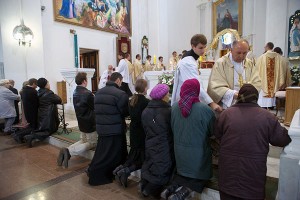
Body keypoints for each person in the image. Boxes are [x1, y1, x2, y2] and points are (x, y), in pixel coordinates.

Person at [215, 84, 291, 200]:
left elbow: (217, 134)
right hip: (252, 181)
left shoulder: (226, 114)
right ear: (256, 98)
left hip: (227, 179)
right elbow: (281, 139)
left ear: (239, 96)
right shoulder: (267, 117)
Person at [162, 79, 215, 199]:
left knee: (183, 174)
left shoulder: (174, 107)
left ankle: (170, 188)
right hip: (199, 154)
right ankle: (183, 193)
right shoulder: (205, 110)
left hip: (179, 153)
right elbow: (213, 132)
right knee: (200, 177)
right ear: (196, 90)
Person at [88, 72, 129, 186]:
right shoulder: (121, 94)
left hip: (102, 128)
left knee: (102, 153)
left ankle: (93, 169)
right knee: (112, 155)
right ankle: (97, 173)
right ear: (118, 81)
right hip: (115, 129)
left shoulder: (98, 92)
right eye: (121, 82)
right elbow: (125, 112)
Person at [171, 34, 222, 112]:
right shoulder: (188, 62)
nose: (203, 50)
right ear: (193, 46)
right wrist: (211, 103)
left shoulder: (191, 58)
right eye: (200, 48)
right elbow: (195, 85)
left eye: (205, 47)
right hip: (185, 102)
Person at [140, 84, 174, 198]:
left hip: (150, 143)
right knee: (163, 168)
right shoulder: (168, 111)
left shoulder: (145, 111)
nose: (169, 96)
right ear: (163, 97)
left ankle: (144, 185)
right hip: (164, 144)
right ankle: (149, 189)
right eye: (168, 94)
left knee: (151, 164)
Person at [113, 79, 150, 188]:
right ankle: (125, 171)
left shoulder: (131, 100)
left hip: (133, 130)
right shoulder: (146, 102)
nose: (148, 88)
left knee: (134, 154)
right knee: (142, 157)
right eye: (147, 87)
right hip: (142, 131)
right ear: (144, 88)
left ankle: (121, 169)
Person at [57, 72, 97, 168]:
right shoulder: (88, 93)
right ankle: (69, 151)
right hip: (90, 123)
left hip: (81, 121)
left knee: (83, 140)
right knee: (92, 143)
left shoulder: (75, 92)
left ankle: (66, 149)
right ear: (84, 81)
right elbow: (95, 107)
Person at [207, 39, 261, 109]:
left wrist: (248, 94)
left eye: (244, 53)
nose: (241, 56)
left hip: (246, 104)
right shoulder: (221, 63)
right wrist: (233, 94)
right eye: (238, 53)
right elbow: (215, 86)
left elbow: (257, 82)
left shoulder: (249, 63)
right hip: (227, 105)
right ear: (231, 50)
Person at [24, 78, 62, 147]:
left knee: (43, 129)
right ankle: (31, 136)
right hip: (49, 116)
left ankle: (30, 135)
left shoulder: (38, 92)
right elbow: (59, 100)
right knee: (48, 131)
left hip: (41, 114)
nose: (49, 84)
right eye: (48, 83)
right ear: (45, 85)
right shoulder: (48, 93)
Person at [256, 42, 289, 108]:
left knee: (264, 92)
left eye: (265, 47)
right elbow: (285, 66)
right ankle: (271, 105)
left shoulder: (261, 58)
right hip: (274, 83)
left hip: (264, 82)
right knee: (272, 90)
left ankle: (263, 106)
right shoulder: (280, 58)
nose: (264, 48)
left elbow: (256, 70)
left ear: (267, 47)